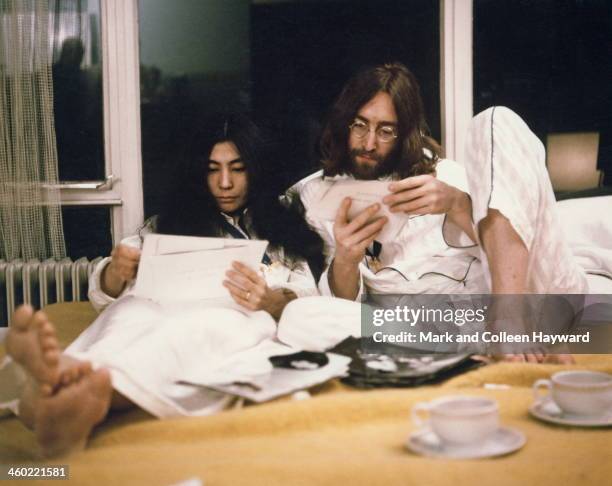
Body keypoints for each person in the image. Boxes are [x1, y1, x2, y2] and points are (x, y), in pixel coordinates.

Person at [1, 113, 325, 457]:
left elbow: (310, 298)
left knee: (193, 331)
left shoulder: (284, 235)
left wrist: (273, 301)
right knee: (129, 315)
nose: (225, 182)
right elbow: (107, 290)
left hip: (228, 314)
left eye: (238, 168)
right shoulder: (169, 223)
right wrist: (116, 269)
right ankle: (61, 382)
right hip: (153, 305)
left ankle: (78, 388)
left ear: (257, 170)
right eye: (212, 169)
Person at [277, 62, 587, 361]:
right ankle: (478, 349)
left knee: (495, 119)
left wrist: (457, 205)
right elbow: (340, 306)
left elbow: (507, 251)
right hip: (427, 329)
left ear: (405, 134)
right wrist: (345, 259)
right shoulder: (316, 195)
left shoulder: (446, 177)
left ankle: (509, 322)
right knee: (300, 317)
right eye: (360, 125)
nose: (369, 143)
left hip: (528, 297)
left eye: (385, 131)